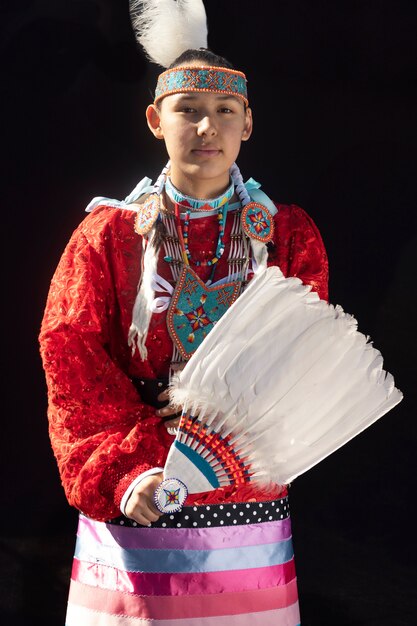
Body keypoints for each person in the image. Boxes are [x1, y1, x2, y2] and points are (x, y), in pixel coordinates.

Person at [39, 8, 329, 625]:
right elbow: (72, 355)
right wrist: (126, 471)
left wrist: (226, 440)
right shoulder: (105, 235)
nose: (207, 126)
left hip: (245, 487)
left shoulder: (286, 235)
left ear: (248, 122)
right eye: (187, 108)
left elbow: (304, 354)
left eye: (225, 111)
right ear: (154, 119)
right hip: (137, 479)